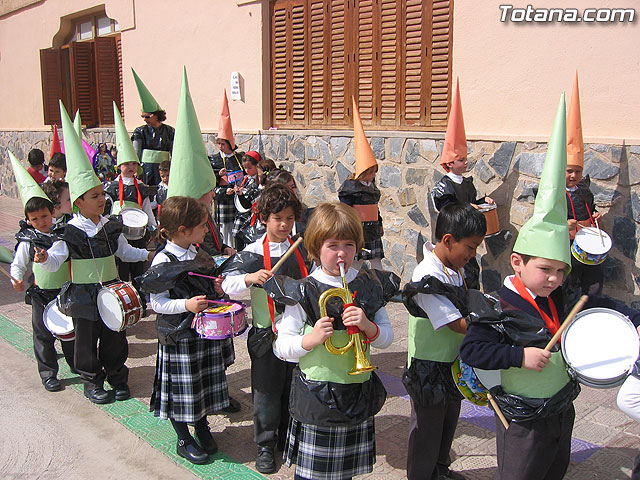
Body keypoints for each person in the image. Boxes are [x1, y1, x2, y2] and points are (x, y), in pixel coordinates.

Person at [460, 94, 578, 480]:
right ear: (517, 262)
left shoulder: (558, 294)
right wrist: (519, 356)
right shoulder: (496, 304)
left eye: (561, 271)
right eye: (545, 269)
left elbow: (601, 306)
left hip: (560, 408)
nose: (554, 279)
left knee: (553, 471)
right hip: (523, 417)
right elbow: (473, 349)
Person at [266, 202, 399, 480]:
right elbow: (281, 348)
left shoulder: (369, 285)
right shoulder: (303, 290)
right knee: (310, 475)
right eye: (332, 245)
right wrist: (311, 339)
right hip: (316, 397)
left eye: (349, 245)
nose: (342, 253)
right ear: (315, 248)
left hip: (356, 393)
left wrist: (367, 325)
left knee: (345, 474)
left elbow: (387, 338)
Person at [34, 101, 153, 404]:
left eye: (102, 194)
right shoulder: (68, 232)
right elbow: (57, 259)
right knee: (86, 341)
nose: (102, 199)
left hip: (112, 289)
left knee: (115, 336)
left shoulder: (111, 226)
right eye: (95, 196)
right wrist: (45, 259)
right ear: (78, 202)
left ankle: (117, 375)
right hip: (84, 295)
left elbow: (124, 252)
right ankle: (91, 380)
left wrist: (148, 255)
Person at [220, 184, 309, 473]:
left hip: (297, 334)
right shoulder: (254, 251)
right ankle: (265, 446)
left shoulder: (300, 248)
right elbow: (226, 284)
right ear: (263, 219)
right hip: (266, 335)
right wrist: (249, 277)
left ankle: (285, 436)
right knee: (266, 392)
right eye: (277, 218)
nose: (284, 224)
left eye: (289, 218)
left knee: (291, 387)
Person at [166, 68, 239, 413]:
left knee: (217, 351)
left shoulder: (203, 220)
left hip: (211, 293)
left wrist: (223, 253)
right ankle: (198, 410)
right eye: (208, 198)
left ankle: (218, 395)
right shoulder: (177, 241)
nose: (212, 202)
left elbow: (212, 244)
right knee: (196, 360)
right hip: (189, 309)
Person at [137, 196, 230, 464]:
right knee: (182, 391)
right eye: (202, 225)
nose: (206, 228)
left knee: (200, 385)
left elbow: (203, 284)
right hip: (178, 337)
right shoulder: (162, 261)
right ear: (182, 230)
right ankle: (183, 437)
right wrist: (186, 304)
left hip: (201, 334)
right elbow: (157, 303)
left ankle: (202, 427)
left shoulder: (196, 252)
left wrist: (214, 289)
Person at [402, 203, 486, 480]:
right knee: (427, 427)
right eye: (471, 247)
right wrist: (489, 328)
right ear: (448, 240)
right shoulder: (427, 275)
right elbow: (453, 322)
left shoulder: (454, 266)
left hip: (451, 361)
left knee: (449, 419)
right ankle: (422, 475)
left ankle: (440, 469)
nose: (473, 255)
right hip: (428, 366)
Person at [8, 150, 75, 392]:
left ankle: (75, 363)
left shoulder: (61, 233)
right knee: (43, 335)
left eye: (45, 216)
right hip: (40, 292)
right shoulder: (28, 239)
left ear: (53, 213)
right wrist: (16, 278)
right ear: (28, 220)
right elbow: (19, 261)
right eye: (35, 219)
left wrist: (48, 257)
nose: (41, 222)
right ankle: (48, 373)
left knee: (69, 330)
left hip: (64, 291)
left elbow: (61, 256)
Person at [431, 80, 493, 290]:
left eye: (466, 159)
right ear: (449, 163)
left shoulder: (467, 183)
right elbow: (448, 209)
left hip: (468, 233)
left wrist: (483, 202)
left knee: (472, 272)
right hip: (455, 236)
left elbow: (471, 202)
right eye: (461, 159)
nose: (466, 162)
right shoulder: (444, 185)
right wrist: (469, 208)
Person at [105, 103, 157, 311]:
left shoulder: (141, 188)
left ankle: (140, 304)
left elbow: (147, 210)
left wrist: (153, 228)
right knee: (121, 271)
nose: (131, 167)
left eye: (134, 164)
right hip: (120, 235)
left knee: (138, 271)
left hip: (139, 236)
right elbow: (108, 210)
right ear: (119, 166)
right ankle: (123, 305)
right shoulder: (110, 188)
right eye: (127, 164)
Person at [562, 73, 604, 309]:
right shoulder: (555, 192)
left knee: (594, 285)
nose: (573, 176)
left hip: (587, 245)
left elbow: (591, 208)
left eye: (577, 171)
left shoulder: (585, 189)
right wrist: (564, 225)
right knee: (567, 288)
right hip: (567, 248)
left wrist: (595, 216)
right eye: (569, 171)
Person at [338, 99, 385, 270]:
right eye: (370, 172)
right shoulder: (351, 188)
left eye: (374, 172)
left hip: (372, 229)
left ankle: (379, 287)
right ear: (363, 172)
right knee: (356, 263)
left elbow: (376, 208)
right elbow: (345, 210)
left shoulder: (372, 188)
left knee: (376, 262)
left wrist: (379, 223)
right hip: (358, 229)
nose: (373, 176)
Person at [209, 89, 245, 246]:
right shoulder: (214, 160)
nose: (220, 147)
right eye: (218, 144)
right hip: (223, 199)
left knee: (238, 228)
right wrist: (218, 176)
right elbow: (210, 181)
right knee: (224, 230)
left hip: (237, 198)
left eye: (223, 143)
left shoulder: (239, 158)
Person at [131, 69, 175, 186]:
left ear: (156, 115)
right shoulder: (140, 131)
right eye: (143, 117)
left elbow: (174, 152)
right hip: (146, 169)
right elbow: (136, 152)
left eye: (147, 116)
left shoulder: (170, 131)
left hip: (164, 169)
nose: (145, 119)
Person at [231, 151, 262, 251]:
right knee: (237, 237)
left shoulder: (257, 182)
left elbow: (251, 199)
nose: (247, 170)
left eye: (250, 168)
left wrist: (241, 194)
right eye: (245, 168)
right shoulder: (245, 179)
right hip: (240, 213)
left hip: (249, 215)